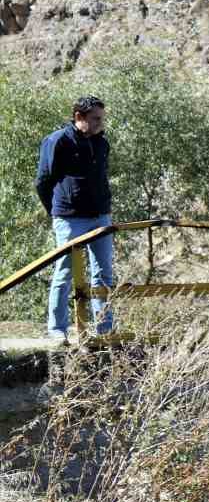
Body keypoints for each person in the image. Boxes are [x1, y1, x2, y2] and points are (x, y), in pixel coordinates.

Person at [36, 96, 115, 340]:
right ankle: (57, 329)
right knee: (65, 271)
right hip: (70, 219)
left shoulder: (102, 144)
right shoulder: (57, 140)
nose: (100, 123)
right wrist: (58, 212)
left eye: (101, 118)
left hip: (101, 216)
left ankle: (104, 330)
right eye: (95, 119)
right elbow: (43, 181)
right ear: (79, 117)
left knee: (104, 274)